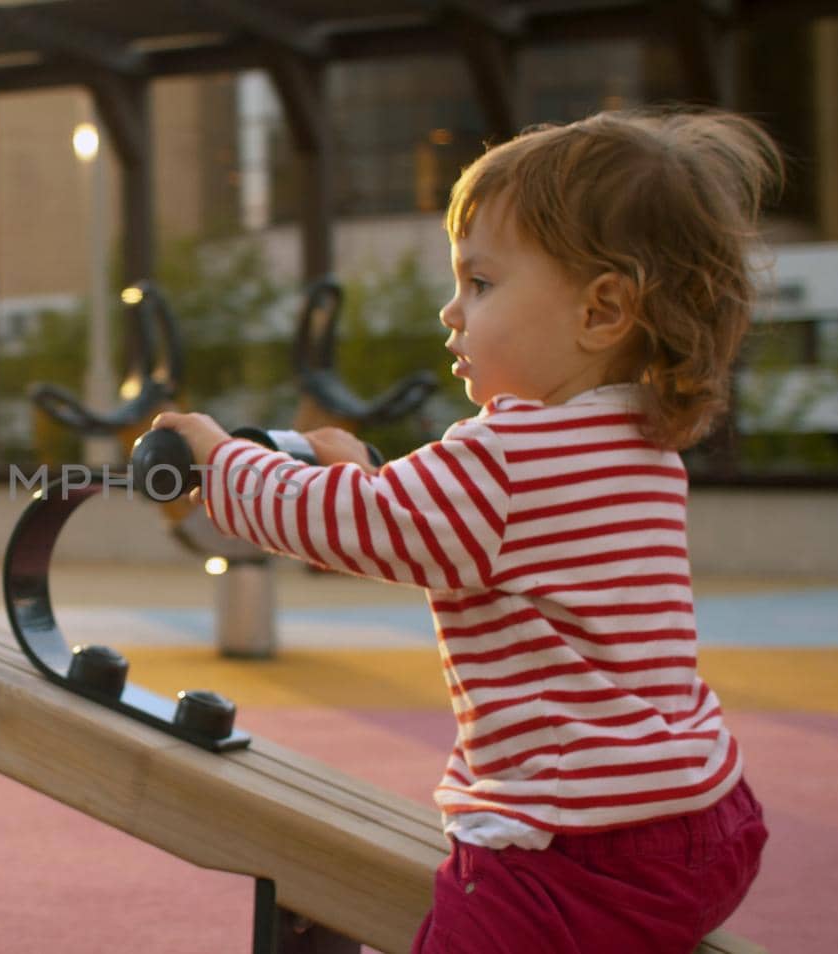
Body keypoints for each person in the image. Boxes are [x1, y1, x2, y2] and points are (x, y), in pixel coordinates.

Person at [154, 108, 779, 954]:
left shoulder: (508, 455)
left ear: (602, 313)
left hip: (576, 848)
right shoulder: (640, 444)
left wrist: (218, 461)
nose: (452, 312)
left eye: (481, 285)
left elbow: (361, 526)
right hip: (708, 819)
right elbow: (452, 532)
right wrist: (362, 476)